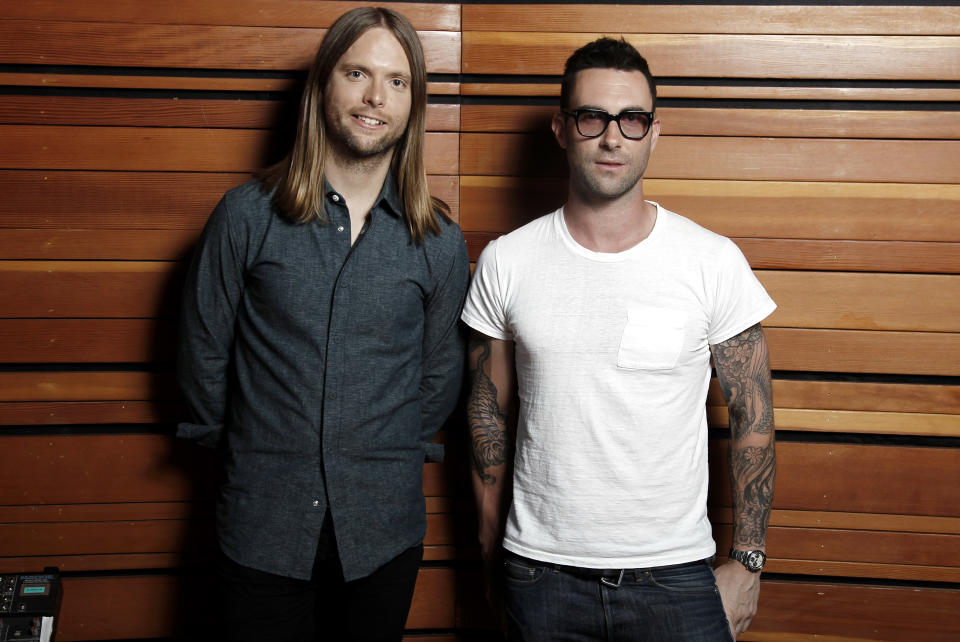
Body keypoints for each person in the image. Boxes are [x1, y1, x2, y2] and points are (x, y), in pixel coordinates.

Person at [462, 37, 776, 641]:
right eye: (592, 117)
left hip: (678, 577)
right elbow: (485, 411)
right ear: (561, 128)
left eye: (632, 119)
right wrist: (489, 549)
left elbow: (752, 416)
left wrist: (749, 561)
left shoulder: (710, 261)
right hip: (540, 573)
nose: (612, 138)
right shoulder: (507, 261)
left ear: (654, 132)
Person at [176, 7, 469, 641]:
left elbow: (437, 380)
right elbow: (204, 360)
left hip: (383, 535)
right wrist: (266, 451)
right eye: (357, 73)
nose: (374, 98)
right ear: (323, 85)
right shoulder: (245, 217)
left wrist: (372, 452)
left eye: (396, 82)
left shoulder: (439, 242)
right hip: (261, 530)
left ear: (413, 104)